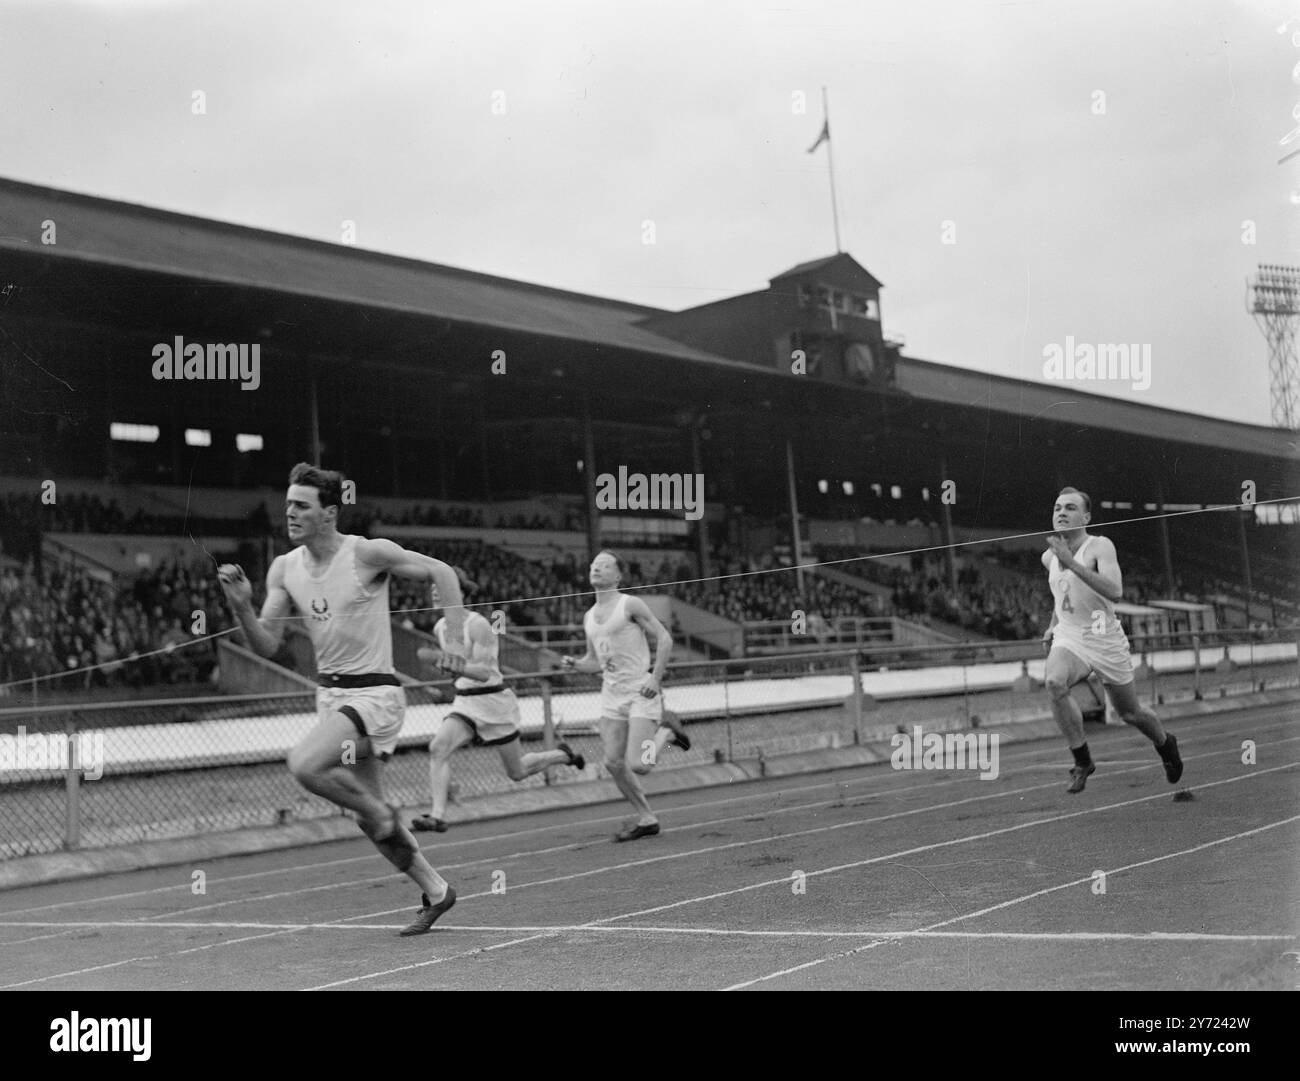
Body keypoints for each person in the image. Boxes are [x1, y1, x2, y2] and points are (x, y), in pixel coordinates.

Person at [217, 462, 462, 936]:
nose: (289, 513)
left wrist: (454, 640)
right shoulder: (284, 569)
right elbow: (270, 648)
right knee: (368, 820)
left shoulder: (365, 554)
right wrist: (242, 608)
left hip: (376, 696)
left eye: (301, 506)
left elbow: (442, 572)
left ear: (328, 513)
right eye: (288, 503)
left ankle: (378, 811)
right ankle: (436, 890)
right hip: (332, 700)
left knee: (306, 765)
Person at [1041, 487, 1183, 793]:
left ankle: (1165, 743)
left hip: (1104, 637)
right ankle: (1082, 761)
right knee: (1054, 682)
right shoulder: (1048, 556)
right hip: (1071, 636)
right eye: (1057, 508)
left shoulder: (1100, 546)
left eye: (1070, 508)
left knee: (1129, 713)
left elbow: (1115, 591)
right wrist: (1053, 626)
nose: (1061, 513)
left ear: (1086, 516)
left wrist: (1072, 562)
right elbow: (1061, 595)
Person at [411, 595, 586, 833]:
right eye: (430, 588)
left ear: (455, 590)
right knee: (438, 747)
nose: (433, 593)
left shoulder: (479, 625)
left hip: (493, 701)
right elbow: (458, 671)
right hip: (465, 702)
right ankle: (437, 815)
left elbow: (483, 672)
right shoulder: (440, 627)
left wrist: (445, 661)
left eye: (438, 587)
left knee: (517, 772)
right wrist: (442, 664)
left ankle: (562, 755)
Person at [560, 550, 690, 842]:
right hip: (611, 694)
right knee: (613, 763)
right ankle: (646, 817)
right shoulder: (589, 617)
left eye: (605, 566)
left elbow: (665, 638)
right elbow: (595, 661)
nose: (597, 569)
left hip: (640, 691)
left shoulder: (630, 604)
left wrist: (656, 679)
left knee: (639, 765)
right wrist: (576, 664)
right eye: (594, 565)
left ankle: (666, 733)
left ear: (617, 575)